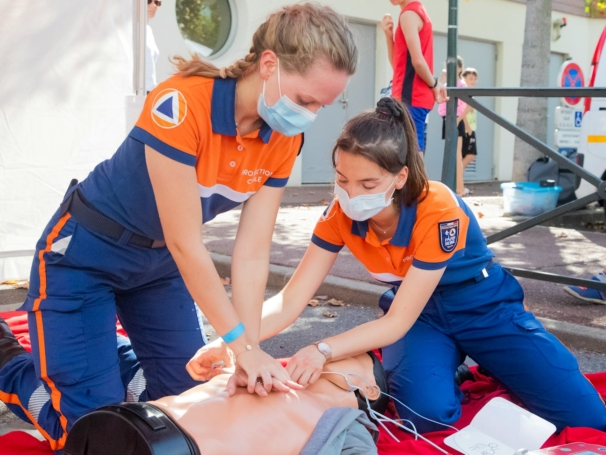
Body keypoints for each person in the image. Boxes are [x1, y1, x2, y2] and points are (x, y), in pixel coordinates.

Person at [0, 4, 358, 452]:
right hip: (84, 259)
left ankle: (110, 359)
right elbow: (186, 242)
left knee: (189, 404)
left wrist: (242, 349)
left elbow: (251, 253)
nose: (310, 115)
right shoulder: (182, 102)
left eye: (321, 106)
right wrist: (241, 348)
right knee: (95, 433)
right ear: (270, 65)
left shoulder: (285, 138)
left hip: (155, 268)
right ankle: (10, 362)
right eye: (306, 100)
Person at [192, 97, 606, 435]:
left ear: (400, 177)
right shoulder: (339, 213)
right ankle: (453, 367)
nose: (350, 195)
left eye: (367, 184)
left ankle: (480, 359)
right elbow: (290, 299)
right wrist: (234, 341)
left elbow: (395, 323)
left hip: (483, 308)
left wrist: (322, 349)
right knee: (422, 416)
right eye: (342, 179)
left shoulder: (438, 206)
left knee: (588, 416)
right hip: (421, 318)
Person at [64, 352, 387, 455]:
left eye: (349, 357)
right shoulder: (261, 370)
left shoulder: (349, 425)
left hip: (173, 445)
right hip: (123, 423)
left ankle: (11, 360)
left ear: (370, 389)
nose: (317, 354)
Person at [381, 0, 447, 153]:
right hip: (414, 98)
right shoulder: (416, 11)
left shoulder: (409, 15)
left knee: (410, 155)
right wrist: (389, 37)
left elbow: (417, 62)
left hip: (410, 97)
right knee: (412, 153)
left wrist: (435, 84)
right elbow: (399, 65)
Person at [438, 56, 467, 196]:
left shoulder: (461, 84)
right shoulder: (445, 83)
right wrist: (442, 77)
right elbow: (436, 91)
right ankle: (453, 188)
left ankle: (460, 188)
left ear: (460, 68)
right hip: (446, 117)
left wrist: (458, 120)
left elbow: (466, 105)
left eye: (454, 66)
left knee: (457, 154)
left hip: (456, 118)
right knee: (449, 153)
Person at [460, 68, 478, 174]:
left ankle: (458, 181)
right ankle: (456, 177)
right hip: (468, 130)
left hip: (470, 128)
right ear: (464, 79)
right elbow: (463, 112)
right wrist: (467, 127)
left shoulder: (470, 95)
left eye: (475, 79)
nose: (473, 81)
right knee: (470, 155)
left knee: (466, 156)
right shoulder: (466, 96)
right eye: (471, 78)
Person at [146, 0, 161, 93]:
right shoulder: (129, 29)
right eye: (148, 1)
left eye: (157, 2)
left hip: (150, 90)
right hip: (133, 91)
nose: (154, 5)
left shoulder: (148, 30)